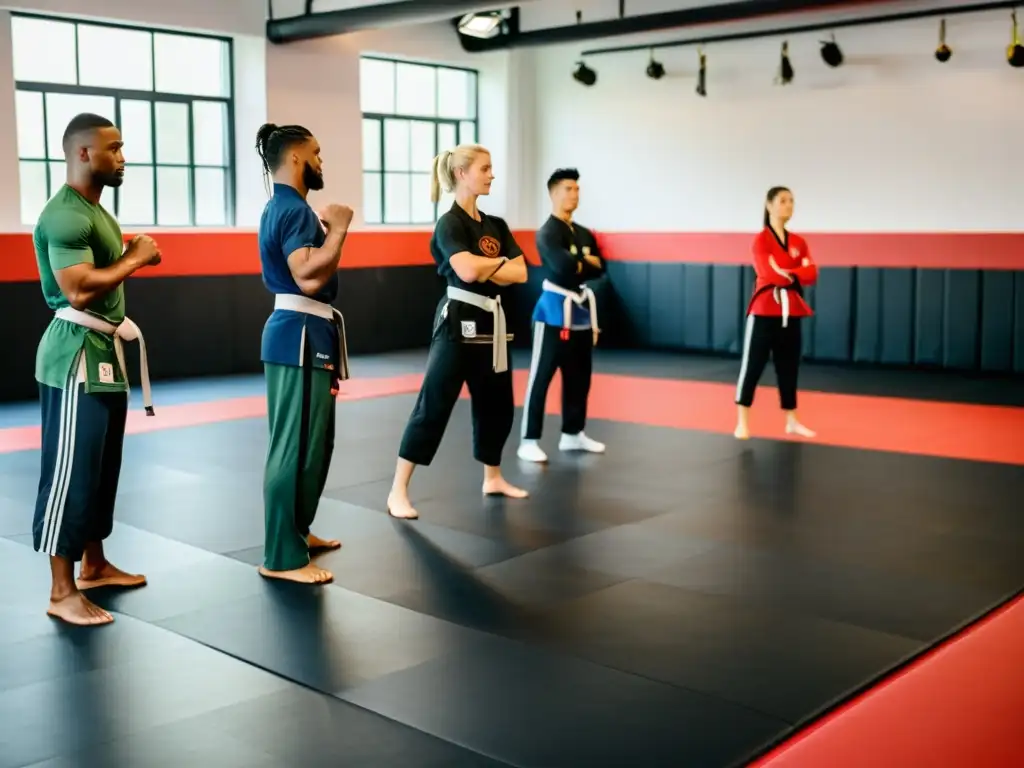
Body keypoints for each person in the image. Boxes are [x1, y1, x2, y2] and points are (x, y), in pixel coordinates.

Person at [32, 113, 161, 627]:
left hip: (104, 350)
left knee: (101, 470)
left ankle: (95, 564)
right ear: (83, 153)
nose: (123, 157)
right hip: (74, 355)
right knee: (69, 472)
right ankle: (62, 591)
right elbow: (79, 290)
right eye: (115, 148)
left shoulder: (97, 211)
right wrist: (135, 257)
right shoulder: (65, 214)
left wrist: (127, 254)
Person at [386, 144, 529, 520]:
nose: (492, 174)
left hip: (493, 326)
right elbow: (466, 272)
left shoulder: (496, 225)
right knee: (433, 405)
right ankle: (398, 490)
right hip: (457, 322)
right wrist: (498, 263)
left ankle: (493, 477)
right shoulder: (449, 223)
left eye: (492, 167)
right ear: (462, 173)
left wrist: (486, 265)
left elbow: (522, 272)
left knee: (496, 405)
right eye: (485, 168)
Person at [254, 122, 354, 585]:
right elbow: (309, 278)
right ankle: (281, 556)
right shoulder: (293, 210)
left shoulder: (287, 207)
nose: (321, 161)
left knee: (316, 445)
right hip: (297, 333)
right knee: (293, 448)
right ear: (296, 158)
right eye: (316, 153)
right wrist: (339, 230)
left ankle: (297, 531)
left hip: (309, 332)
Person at [518, 168, 607, 463]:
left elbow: (600, 268)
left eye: (577, 189)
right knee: (541, 377)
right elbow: (562, 267)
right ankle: (529, 439)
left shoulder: (583, 232)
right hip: (552, 313)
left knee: (579, 377)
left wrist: (580, 263)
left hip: (580, 312)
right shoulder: (547, 232)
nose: (575, 194)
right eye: (569, 189)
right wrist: (584, 262)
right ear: (554, 193)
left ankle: (572, 434)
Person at [734, 186, 818, 440]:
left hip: (791, 311)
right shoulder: (761, 240)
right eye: (783, 201)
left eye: (792, 201)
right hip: (764, 311)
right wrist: (795, 272)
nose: (789, 205)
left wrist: (789, 273)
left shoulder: (799, 242)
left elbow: (812, 273)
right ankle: (742, 421)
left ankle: (791, 420)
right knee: (753, 366)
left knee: (789, 366)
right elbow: (768, 274)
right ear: (769, 205)